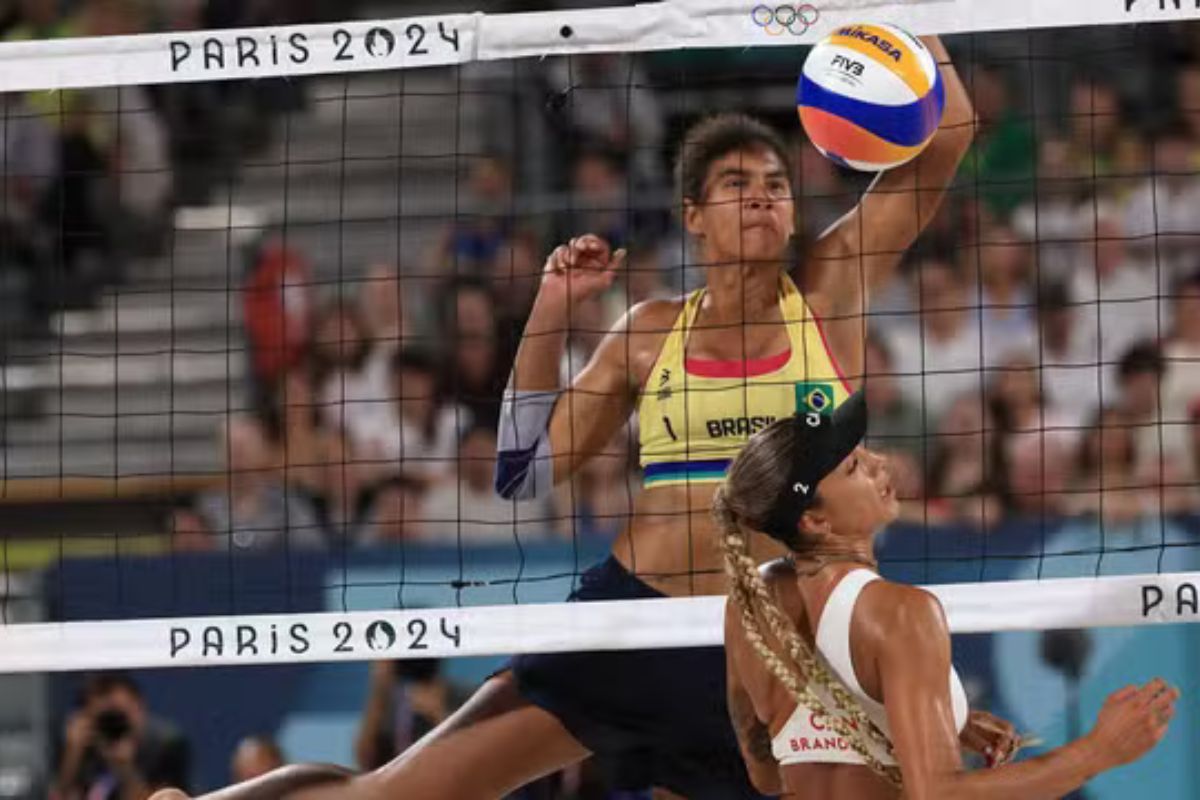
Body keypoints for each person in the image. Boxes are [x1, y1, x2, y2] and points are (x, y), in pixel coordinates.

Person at [150, 34, 973, 800]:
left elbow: (953, 130)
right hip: (628, 628)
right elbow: (523, 471)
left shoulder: (831, 291)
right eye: (736, 186)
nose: (760, 199)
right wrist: (549, 308)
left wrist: (902, 27)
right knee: (397, 792)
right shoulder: (650, 331)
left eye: (776, 185)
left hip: (777, 646)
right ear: (693, 215)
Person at [716, 392, 1178, 798]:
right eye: (854, 466)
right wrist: (1098, 752)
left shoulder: (749, 600)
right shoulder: (902, 613)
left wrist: (933, 721)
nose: (881, 463)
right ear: (815, 521)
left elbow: (766, 773)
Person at [54, 673, 190, 800]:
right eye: (105, 718)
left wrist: (126, 770)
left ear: (139, 707)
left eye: (118, 715)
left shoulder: (165, 745)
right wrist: (72, 756)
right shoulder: (83, 748)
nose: (113, 724)